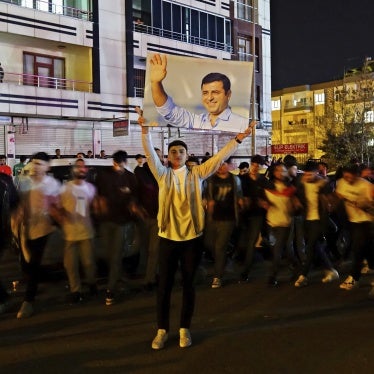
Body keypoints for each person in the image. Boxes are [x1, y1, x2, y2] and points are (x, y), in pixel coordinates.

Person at [138, 108, 255, 350]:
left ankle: (184, 329)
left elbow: (219, 157)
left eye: (181, 151)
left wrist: (240, 137)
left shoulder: (197, 174)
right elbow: (150, 154)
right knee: (164, 286)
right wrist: (145, 129)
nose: (177, 155)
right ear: (168, 157)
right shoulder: (162, 175)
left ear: (187, 154)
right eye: (173, 152)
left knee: (189, 285)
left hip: (192, 238)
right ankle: (162, 330)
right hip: (168, 237)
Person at [12, 152, 61, 318]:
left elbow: (57, 207)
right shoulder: (26, 183)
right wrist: (17, 217)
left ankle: (28, 301)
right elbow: (21, 205)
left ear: (47, 166)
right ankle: (34, 287)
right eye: (34, 163)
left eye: (39, 164)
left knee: (33, 264)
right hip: (27, 230)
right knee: (29, 264)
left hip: (43, 229)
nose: (35, 167)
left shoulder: (52, 184)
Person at [149, 53, 249, 133]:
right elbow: (168, 111)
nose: (209, 98)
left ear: (228, 94)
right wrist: (155, 83)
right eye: (205, 93)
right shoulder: (196, 121)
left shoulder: (242, 124)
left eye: (215, 92)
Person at [95, 150, 142, 306]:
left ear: (125, 163)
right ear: (113, 162)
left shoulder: (130, 178)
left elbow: (135, 197)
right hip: (106, 221)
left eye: (121, 165)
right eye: (116, 164)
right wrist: (99, 203)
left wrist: (133, 206)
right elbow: (98, 193)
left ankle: (111, 290)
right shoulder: (103, 175)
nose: (118, 168)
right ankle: (120, 278)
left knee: (115, 256)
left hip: (122, 222)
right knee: (110, 256)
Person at [294, 161, 339, 287]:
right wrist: (297, 202)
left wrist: (328, 203)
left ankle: (303, 276)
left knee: (311, 247)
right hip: (307, 219)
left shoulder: (324, 184)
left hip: (319, 220)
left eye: (310, 174)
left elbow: (330, 200)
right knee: (315, 247)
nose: (307, 177)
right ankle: (330, 270)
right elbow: (297, 195)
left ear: (316, 173)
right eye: (306, 174)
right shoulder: (301, 183)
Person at [59, 159, 98, 303]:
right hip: (69, 234)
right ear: (73, 170)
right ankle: (76, 291)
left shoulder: (91, 189)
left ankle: (92, 283)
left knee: (88, 263)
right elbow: (59, 207)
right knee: (70, 265)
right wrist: (62, 218)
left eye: (83, 167)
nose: (81, 169)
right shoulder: (65, 188)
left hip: (86, 233)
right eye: (78, 166)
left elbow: (95, 208)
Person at [203, 158, 243, 288]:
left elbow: (239, 195)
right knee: (209, 244)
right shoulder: (210, 179)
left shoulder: (235, 180)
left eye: (223, 164)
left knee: (219, 247)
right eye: (218, 165)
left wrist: (241, 202)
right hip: (212, 218)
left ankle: (217, 276)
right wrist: (206, 201)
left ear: (229, 165)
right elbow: (204, 194)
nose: (220, 167)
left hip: (228, 218)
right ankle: (225, 259)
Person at [260, 163, 300, 287]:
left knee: (277, 250)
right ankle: (298, 268)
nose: (280, 173)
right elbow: (260, 199)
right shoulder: (268, 186)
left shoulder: (290, 188)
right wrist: (263, 203)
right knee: (286, 249)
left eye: (283, 171)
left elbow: (295, 204)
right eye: (277, 170)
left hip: (285, 222)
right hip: (271, 222)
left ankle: (272, 276)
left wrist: (295, 204)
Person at [336, 165, 373, 291]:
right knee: (366, 248)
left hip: (366, 221)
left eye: (349, 177)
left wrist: (365, 206)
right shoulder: (341, 183)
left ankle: (354, 277)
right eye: (345, 176)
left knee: (357, 249)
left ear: (357, 175)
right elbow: (339, 194)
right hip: (352, 221)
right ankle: (371, 266)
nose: (347, 179)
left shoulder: (366, 186)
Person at [134, 148, 163, 291]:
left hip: (159, 217)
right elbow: (135, 191)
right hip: (144, 217)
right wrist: (137, 207)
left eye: (159, 156)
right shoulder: (140, 173)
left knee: (154, 249)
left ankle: (149, 279)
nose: (156, 159)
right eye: (153, 156)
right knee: (145, 248)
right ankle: (151, 274)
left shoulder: (164, 172)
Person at [237, 155, 267, 283]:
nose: (255, 167)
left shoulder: (264, 181)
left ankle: (245, 272)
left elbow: (269, 195)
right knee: (242, 243)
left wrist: (264, 202)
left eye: (258, 165)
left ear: (261, 167)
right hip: (243, 215)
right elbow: (237, 193)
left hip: (257, 215)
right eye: (253, 165)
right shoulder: (242, 179)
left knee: (250, 244)